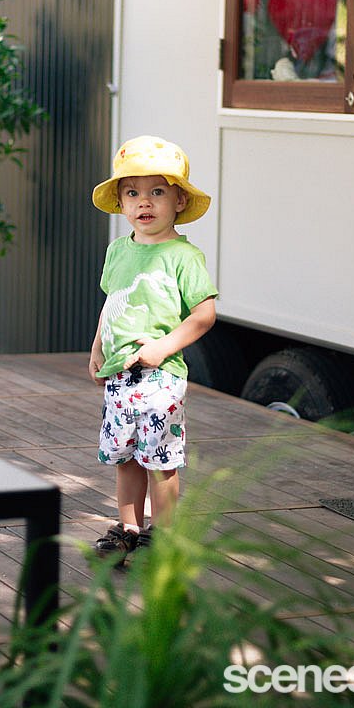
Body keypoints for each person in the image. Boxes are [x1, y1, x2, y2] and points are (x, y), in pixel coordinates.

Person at [89, 135, 218, 563]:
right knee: (125, 456)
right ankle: (128, 528)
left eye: (157, 192)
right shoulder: (118, 251)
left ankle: (163, 535)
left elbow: (204, 314)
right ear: (121, 203)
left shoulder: (183, 256)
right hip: (120, 374)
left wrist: (163, 347)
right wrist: (96, 348)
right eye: (132, 193)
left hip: (161, 377)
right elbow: (113, 302)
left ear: (179, 200)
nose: (143, 202)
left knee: (160, 460)